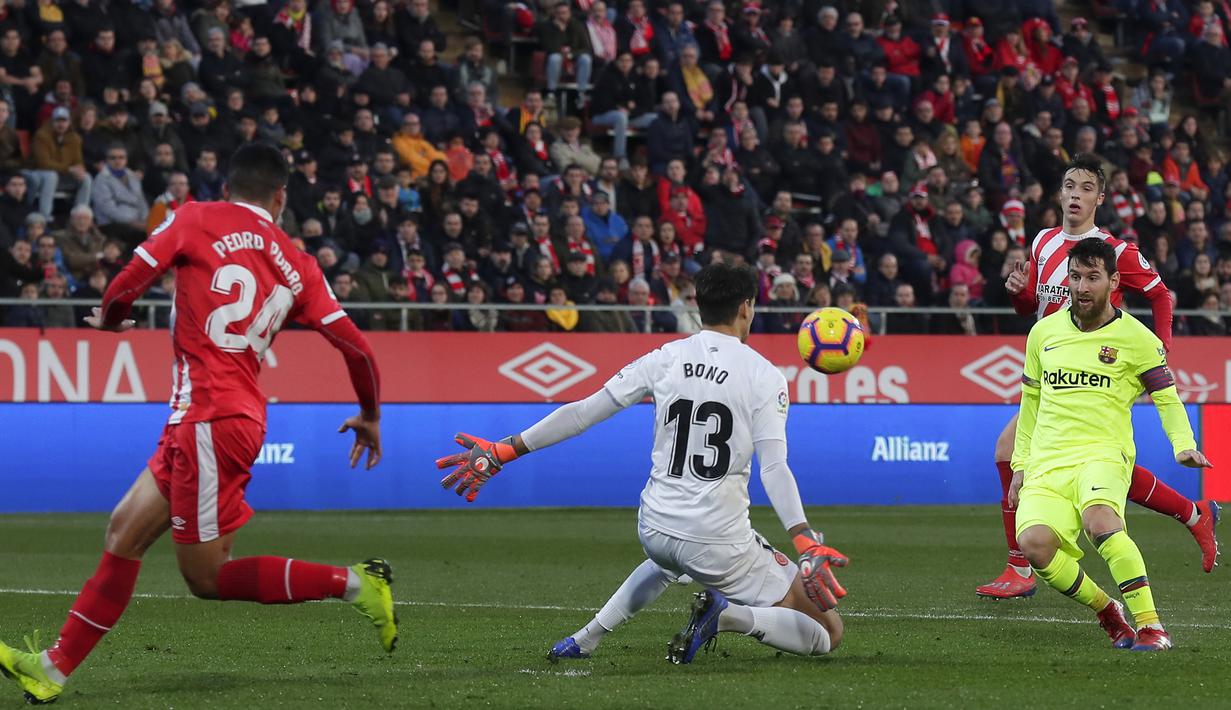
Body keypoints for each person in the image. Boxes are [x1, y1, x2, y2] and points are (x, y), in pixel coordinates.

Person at [0, 145, 397, 705]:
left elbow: (127, 281)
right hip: (206, 416)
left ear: (229, 184)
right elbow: (357, 350)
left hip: (213, 416)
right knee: (123, 530)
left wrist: (112, 320)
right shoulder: (298, 262)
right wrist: (371, 416)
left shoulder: (194, 217)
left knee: (207, 578)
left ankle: (359, 583)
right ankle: (53, 667)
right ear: (280, 196)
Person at [434, 262, 848, 665]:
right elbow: (773, 467)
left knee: (669, 561)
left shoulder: (664, 356)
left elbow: (582, 413)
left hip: (655, 526)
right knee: (829, 630)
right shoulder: (764, 375)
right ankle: (728, 615)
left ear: (697, 306)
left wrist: (504, 450)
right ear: (746, 307)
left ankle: (587, 638)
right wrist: (804, 539)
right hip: (717, 543)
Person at [976, 154, 1219, 601]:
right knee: (1091, 466)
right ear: (1060, 193)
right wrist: (1017, 295)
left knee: (1011, 450)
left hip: (1101, 366)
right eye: (1069, 185)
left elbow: (1161, 295)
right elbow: (1035, 306)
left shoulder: (1115, 251)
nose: (1075, 194)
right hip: (1054, 366)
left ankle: (1020, 565)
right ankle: (1194, 513)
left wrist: (1160, 345)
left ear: (1100, 198)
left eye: (1086, 187)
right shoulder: (1043, 242)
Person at [1011, 236, 1211, 652]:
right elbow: (1030, 404)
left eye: (1092, 277)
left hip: (1103, 454)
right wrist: (1019, 464)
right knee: (1034, 546)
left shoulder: (1137, 338)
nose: (1081, 287)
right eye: (1075, 276)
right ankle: (1108, 610)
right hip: (1048, 461)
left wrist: (1183, 444)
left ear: (1113, 281)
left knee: (1101, 522)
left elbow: (1166, 395)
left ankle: (1152, 627)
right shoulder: (1042, 333)